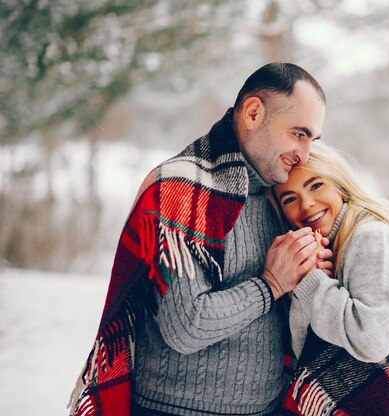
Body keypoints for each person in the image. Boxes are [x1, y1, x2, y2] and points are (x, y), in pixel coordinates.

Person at [68, 63, 333, 416]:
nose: (305, 153)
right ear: (253, 113)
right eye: (299, 134)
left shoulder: (280, 196)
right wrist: (271, 284)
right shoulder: (181, 189)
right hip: (175, 410)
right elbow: (186, 326)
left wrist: (310, 273)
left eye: (312, 140)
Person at [269, 142, 389, 416]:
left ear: (340, 184)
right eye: (289, 198)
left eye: (316, 185)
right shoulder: (329, 250)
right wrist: (309, 279)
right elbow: (303, 345)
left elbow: (372, 340)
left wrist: (312, 280)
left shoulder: (371, 238)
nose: (306, 204)